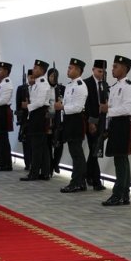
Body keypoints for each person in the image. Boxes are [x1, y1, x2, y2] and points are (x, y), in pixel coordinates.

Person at [100, 55, 131, 206]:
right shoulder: (114, 87)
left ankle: (119, 194)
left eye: (116, 66)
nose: (112, 69)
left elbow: (127, 108)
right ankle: (124, 193)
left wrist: (108, 110)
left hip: (123, 124)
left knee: (121, 160)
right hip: (115, 124)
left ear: (124, 68)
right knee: (120, 160)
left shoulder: (129, 86)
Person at [56, 58, 88, 193]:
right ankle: (80, 182)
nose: (68, 70)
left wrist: (62, 107)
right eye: (68, 67)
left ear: (78, 70)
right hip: (69, 120)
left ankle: (76, 182)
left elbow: (77, 107)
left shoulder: (80, 86)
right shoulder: (70, 85)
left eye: (71, 68)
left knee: (77, 153)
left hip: (76, 121)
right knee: (75, 153)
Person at [20, 60, 50, 181]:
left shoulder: (42, 84)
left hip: (39, 115)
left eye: (36, 68)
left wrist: (28, 106)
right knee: (41, 146)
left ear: (42, 71)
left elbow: (40, 102)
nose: (33, 70)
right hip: (35, 115)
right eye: (34, 67)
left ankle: (34, 173)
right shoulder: (36, 83)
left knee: (37, 146)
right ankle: (44, 172)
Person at [83, 60, 108, 191]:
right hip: (90, 121)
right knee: (95, 149)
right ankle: (96, 181)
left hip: (102, 121)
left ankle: (87, 175)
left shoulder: (105, 84)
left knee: (95, 150)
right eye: (99, 71)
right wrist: (90, 122)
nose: (101, 74)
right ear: (93, 69)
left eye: (103, 72)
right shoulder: (86, 83)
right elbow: (86, 105)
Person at [0, 62, 14, 172]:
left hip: (3, 112)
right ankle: (4, 163)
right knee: (2, 139)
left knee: (3, 139)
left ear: (6, 71)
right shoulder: (2, 83)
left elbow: (4, 100)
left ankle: (5, 164)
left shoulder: (7, 84)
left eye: (0, 70)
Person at [47, 67, 65, 176]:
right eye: (51, 76)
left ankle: (56, 163)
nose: (53, 78)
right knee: (48, 143)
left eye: (55, 76)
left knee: (59, 143)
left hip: (59, 119)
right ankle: (49, 165)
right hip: (48, 118)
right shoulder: (45, 88)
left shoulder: (62, 88)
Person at [16, 70, 33, 171]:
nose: (32, 79)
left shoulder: (37, 88)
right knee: (25, 142)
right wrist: (19, 118)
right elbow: (18, 104)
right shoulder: (21, 88)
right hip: (25, 118)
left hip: (33, 118)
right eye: (30, 77)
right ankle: (27, 163)